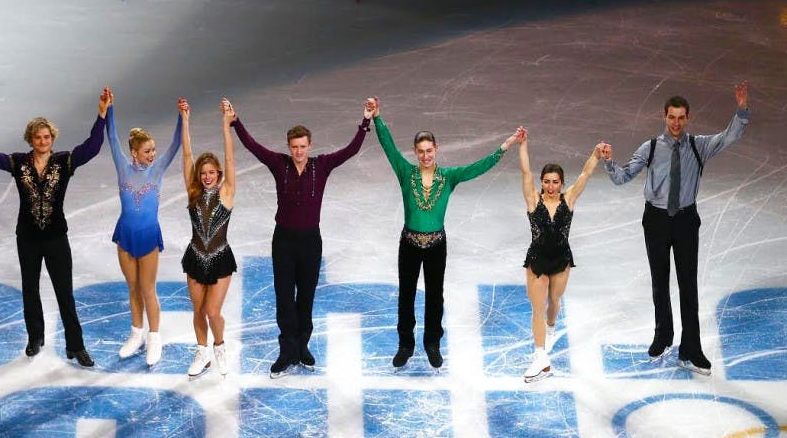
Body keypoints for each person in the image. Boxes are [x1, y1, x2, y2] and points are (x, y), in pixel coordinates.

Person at [602, 81, 750, 375]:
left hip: (685, 220)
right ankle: (663, 335)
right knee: (660, 282)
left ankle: (691, 349)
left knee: (688, 286)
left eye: (682, 117)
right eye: (672, 117)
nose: (677, 123)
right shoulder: (651, 147)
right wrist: (608, 162)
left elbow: (729, 136)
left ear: (688, 118)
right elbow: (622, 177)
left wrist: (742, 108)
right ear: (664, 117)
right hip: (655, 220)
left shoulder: (699, 146)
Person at [0, 88, 113, 367]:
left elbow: (92, 146)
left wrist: (102, 114)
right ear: (30, 140)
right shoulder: (19, 163)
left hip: (57, 237)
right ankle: (35, 337)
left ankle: (75, 345)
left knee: (64, 291)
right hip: (28, 238)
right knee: (30, 289)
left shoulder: (64, 161)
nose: (43, 141)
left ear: (52, 138)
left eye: (47, 137)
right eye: (37, 137)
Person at [372, 97, 521, 372]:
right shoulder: (406, 173)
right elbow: (388, 148)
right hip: (409, 243)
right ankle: (406, 345)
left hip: (437, 245)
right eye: (420, 151)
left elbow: (477, 168)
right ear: (415, 153)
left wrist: (505, 147)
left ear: (436, 149)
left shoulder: (448, 177)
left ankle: (432, 344)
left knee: (434, 295)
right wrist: (377, 118)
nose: (425, 155)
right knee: (406, 294)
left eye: (429, 150)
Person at [232, 99, 371, 378]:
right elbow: (253, 146)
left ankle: (303, 346)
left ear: (310, 145)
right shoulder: (279, 164)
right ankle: (287, 350)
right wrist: (236, 121)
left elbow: (351, 150)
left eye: (302, 146)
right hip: (283, 241)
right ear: (289, 147)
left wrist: (366, 120)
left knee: (306, 296)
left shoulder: (322, 166)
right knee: (284, 297)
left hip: (310, 241)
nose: (298, 151)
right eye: (294, 146)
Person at [517, 127, 605, 382]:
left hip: (562, 260)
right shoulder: (534, 200)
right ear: (541, 182)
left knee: (554, 303)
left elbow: (586, 173)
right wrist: (523, 145)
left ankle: (551, 328)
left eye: (555, 182)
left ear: (562, 183)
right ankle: (540, 357)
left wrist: (596, 154)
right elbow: (525, 172)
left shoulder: (569, 199)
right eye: (546, 181)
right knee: (538, 309)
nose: (551, 186)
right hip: (537, 261)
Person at [109, 98, 183, 367]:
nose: (153, 154)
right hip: (125, 236)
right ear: (134, 152)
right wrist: (110, 109)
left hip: (148, 237)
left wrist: (181, 117)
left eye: (153, 150)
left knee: (148, 289)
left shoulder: (157, 171)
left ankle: (154, 337)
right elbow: (111, 136)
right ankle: (136, 333)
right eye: (148, 151)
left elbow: (175, 145)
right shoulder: (122, 168)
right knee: (132, 288)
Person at [180, 98, 238, 378]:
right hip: (195, 257)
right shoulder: (193, 193)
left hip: (220, 258)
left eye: (211, 172)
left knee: (213, 311)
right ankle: (202, 351)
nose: (206, 176)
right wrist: (186, 120)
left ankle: (219, 346)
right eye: (203, 173)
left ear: (219, 174)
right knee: (198, 310)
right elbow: (187, 157)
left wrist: (225, 124)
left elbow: (229, 158)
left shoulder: (226, 193)